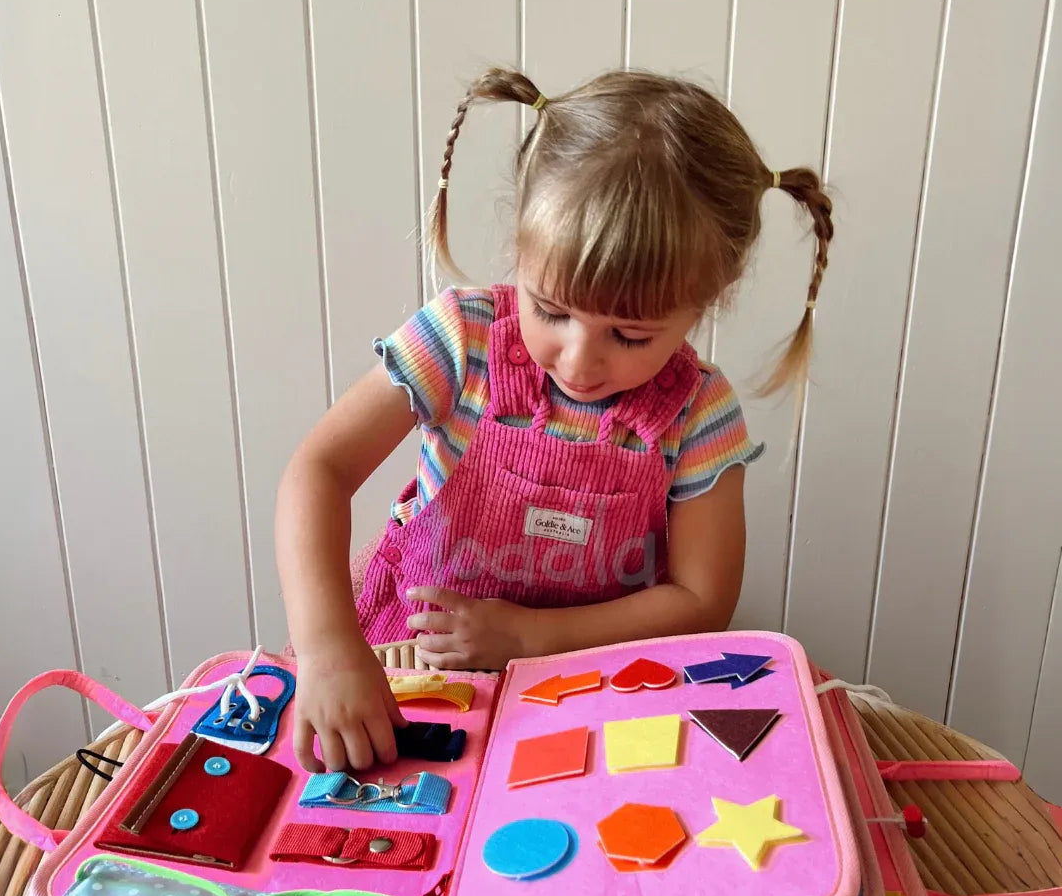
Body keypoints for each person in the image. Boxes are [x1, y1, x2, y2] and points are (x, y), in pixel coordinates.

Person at [276, 68, 833, 774]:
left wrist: (528, 636)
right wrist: (329, 649)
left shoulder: (699, 411)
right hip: (401, 668)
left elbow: (701, 601)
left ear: (706, 302)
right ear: (521, 249)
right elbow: (317, 472)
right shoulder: (461, 339)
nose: (579, 360)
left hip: (591, 692)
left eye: (630, 336)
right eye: (551, 311)